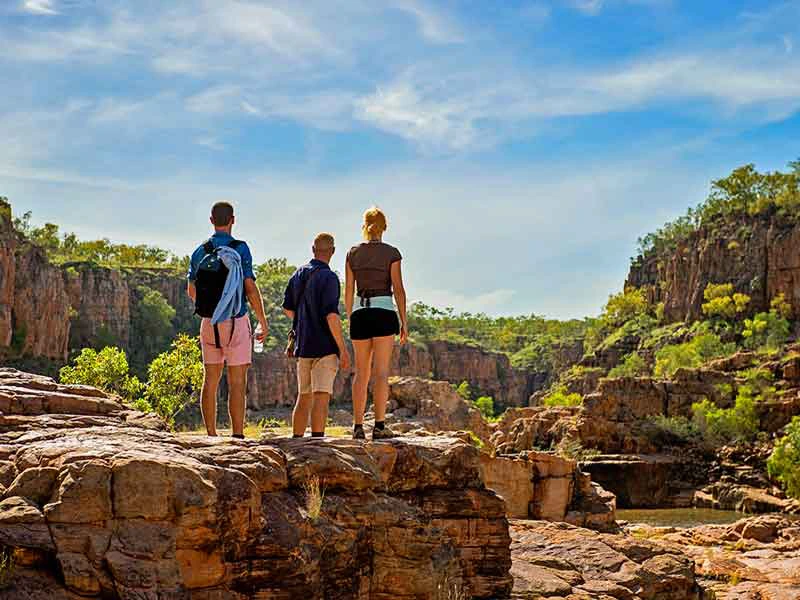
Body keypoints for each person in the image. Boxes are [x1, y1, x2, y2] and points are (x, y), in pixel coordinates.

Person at [187, 201, 268, 439]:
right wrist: (262, 320)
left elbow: (191, 289)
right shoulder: (240, 249)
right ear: (233, 220)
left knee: (210, 380)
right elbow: (249, 287)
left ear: (211, 220)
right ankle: (237, 435)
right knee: (237, 382)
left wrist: (212, 308)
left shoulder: (200, 251)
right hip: (236, 321)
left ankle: (211, 435)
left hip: (209, 322)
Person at [345, 207, 407, 441]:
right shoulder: (392, 253)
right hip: (384, 313)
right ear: (385, 227)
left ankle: (358, 427)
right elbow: (398, 289)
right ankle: (379, 427)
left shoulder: (352, 253)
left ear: (364, 226)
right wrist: (404, 322)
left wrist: (351, 316)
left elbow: (348, 289)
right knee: (381, 372)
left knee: (361, 373)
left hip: (360, 314)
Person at [283, 233, 351, 438]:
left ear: (313, 250)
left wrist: (303, 320)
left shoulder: (298, 274)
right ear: (333, 251)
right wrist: (342, 349)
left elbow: (287, 308)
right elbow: (331, 316)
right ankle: (317, 442)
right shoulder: (329, 278)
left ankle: (297, 440)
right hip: (325, 346)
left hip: (303, 346)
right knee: (321, 396)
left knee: (304, 396)